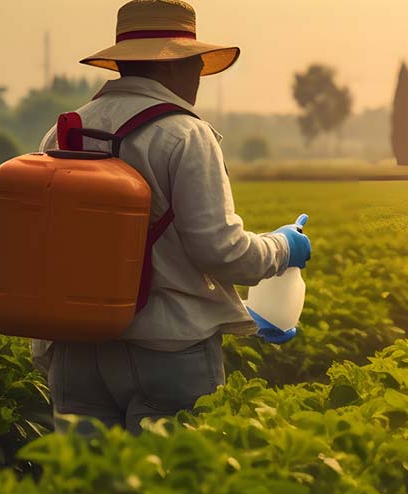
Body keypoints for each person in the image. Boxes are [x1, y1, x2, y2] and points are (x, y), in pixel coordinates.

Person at [31, 0, 311, 436]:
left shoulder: (65, 129)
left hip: (76, 349)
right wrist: (283, 247)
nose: (198, 77)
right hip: (168, 350)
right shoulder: (184, 134)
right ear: (174, 66)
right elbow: (221, 250)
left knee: (84, 492)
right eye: (196, 64)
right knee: (171, 489)